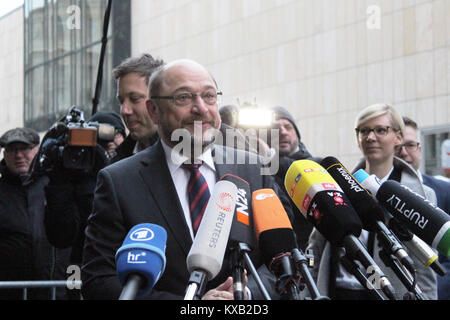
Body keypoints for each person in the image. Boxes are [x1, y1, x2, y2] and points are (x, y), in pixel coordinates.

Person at [81, 59, 292, 300]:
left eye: (209, 96)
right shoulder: (118, 182)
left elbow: (283, 260)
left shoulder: (254, 169)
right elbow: (99, 281)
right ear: (154, 110)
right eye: (183, 98)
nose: (201, 108)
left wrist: (242, 295)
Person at [307, 103, 438, 300]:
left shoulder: (421, 194)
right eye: (364, 131)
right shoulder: (336, 185)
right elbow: (316, 249)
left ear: (398, 137)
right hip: (339, 292)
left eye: (380, 130)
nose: (370, 137)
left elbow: (424, 267)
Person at [0, 128, 71, 300]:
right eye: (12, 150)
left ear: (37, 150)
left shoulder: (54, 186)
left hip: (55, 288)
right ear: (5, 153)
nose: (18, 155)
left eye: (24, 148)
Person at [395, 116, 450, 300]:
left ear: (419, 148)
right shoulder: (380, 192)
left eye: (409, 145)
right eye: (397, 147)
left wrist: (436, 288)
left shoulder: (443, 190)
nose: (403, 152)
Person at [269, 106, 318, 251]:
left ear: (297, 134)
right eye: (275, 129)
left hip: (309, 254)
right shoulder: (260, 171)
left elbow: (299, 171)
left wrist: (269, 156)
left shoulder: (316, 164)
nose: (283, 132)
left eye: (288, 127)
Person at [112, 53, 165, 163]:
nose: (124, 110)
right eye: (121, 102)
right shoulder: (117, 163)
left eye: (134, 98)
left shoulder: (189, 155)